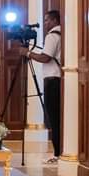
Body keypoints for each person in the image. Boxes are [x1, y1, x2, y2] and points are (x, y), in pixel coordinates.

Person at [23, 9, 62, 162]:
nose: (45, 23)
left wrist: (27, 53)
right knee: (56, 118)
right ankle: (59, 152)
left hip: (53, 81)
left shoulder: (52, 36)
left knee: (53, 119)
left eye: (47, 20)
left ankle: (57, 153)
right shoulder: (61, 34)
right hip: (57, 80)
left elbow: (46, 57)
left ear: (54, 20)